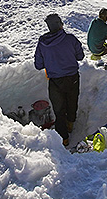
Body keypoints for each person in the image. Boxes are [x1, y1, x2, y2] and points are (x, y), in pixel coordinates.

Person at [34, 14, 84, 146]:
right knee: (72, 101)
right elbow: (80, 56)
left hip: (55, 81)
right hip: (72, 78)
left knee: (59, 109)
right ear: (61, 24)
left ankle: (64, 138)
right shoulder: (70, 39)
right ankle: (70, 124)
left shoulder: (43, 43)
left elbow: (38, 65)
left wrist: (51, 60)